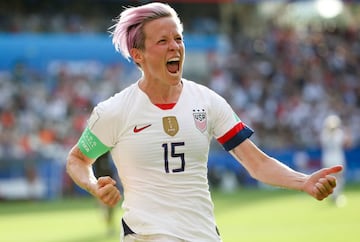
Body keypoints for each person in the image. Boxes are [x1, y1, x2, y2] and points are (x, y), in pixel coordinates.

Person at [66, 2, 342, 242]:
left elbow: (256, 162)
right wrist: (93, 185)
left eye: (178, 38)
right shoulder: (115, 111)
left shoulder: (208, 102)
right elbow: (77, 159)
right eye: (163, 41)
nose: (175, 46)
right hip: (146, 235)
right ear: (138, 55)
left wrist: (303, 181)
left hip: (203, 234)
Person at [320, 114, 351, 207]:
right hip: (335, 158)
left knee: (334, 178)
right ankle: (335, 196)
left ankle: (334, 196)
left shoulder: (325, 133)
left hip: (330, 157)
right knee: (337, 178)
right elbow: (347, 143)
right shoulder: (336, 133)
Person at [93, 151, 117, 235]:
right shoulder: (97, 152)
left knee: (110, 203)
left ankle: (109, 221)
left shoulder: (107, 151)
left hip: (109, 178)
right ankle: (105, 215)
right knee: (104, 201)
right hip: (101, 178)